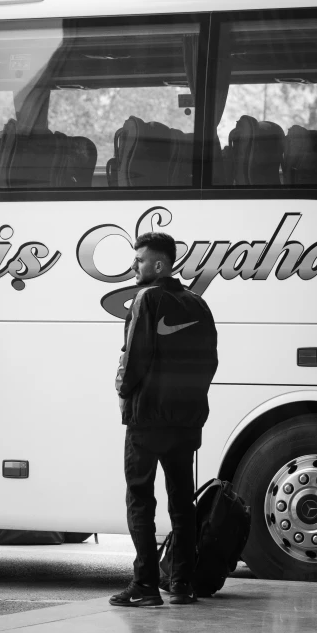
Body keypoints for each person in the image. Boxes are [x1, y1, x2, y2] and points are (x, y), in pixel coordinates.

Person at [109, 231, 218, 608]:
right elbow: (210, 363)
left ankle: (145, 585)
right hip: (185, 423)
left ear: (158, 264)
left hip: (147, 421)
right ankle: (182, 584)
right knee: (181, 502)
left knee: (141, 499)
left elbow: (134, 357)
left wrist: (122, 388)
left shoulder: (147, 298)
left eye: (139, 260)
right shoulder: (198, 305)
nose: (134, 266)